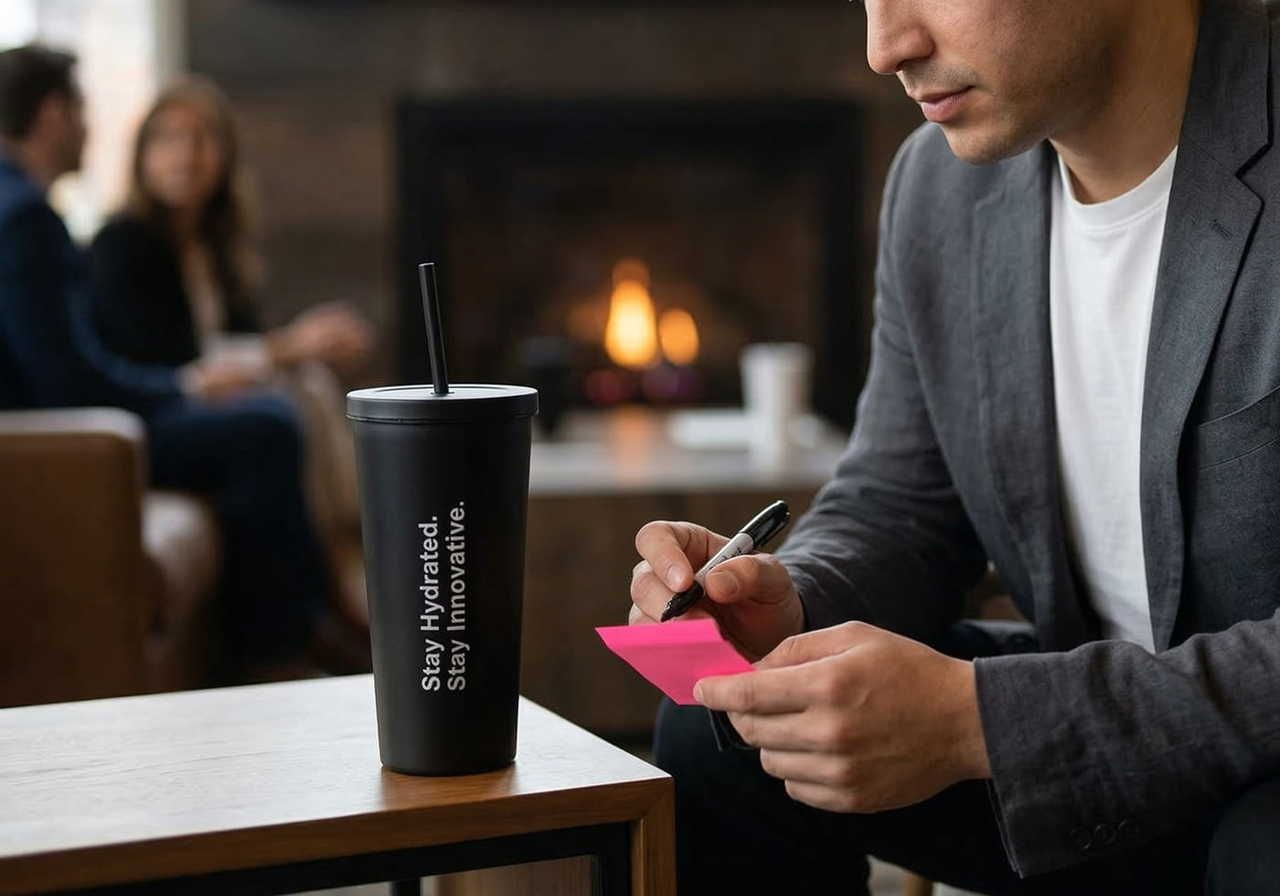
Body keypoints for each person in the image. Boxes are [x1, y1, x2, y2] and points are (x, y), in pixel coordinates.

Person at [628, 1, 1280, 893]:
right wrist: (789, 601)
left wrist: (987, 726)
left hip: (1260, 772)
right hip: (1101, 758)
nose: (885, 47)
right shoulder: (941, 189)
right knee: (723, 730)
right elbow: (900, 505)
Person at [0, 45, 357, 680]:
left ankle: (306, 626)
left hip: (64, 431)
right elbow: (71, 382)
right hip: (62, 443)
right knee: (267, 427)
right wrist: (180, 387)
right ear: (55, 115)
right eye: (83, 110)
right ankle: (280, 651)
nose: (91, 128)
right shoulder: (28, 218)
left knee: (276, 410)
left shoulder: (27, 210)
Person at [88, 77, 373, 626]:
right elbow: (175, 366)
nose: (185, 156)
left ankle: (341, 565)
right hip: (155, 410)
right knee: (288, 404)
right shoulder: (122, 244)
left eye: (202, 139)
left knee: (309, 384)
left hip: (197, 395)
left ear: (226, 155)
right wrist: (293, 346)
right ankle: (332, 585)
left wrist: (295, 351)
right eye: (168, 139)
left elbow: (238, 344)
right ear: (143, 154)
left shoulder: (215, 246)